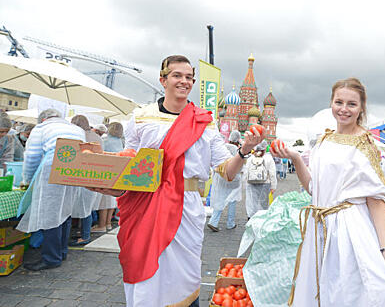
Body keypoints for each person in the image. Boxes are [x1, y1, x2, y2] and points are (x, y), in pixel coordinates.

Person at [87, 55, 263, 306]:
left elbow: (227, 171)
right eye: (177, 75)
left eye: (189, 77)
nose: (184, 81)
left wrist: (244, 150)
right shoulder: (141, 117)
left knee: (184, 274)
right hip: (144, 205)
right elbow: (128, 166)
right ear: (163, 79)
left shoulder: (204, 121)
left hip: (186, 209)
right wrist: (110, 187)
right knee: (143, 268)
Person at [273, 77, 385, 306]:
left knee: (349, 292)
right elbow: (314, 189)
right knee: (320, 291)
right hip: (320, 228)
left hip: (350, 231)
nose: (344, 109)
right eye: (339, 102)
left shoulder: (364, 145)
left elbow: (376, 202)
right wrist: (296, 158)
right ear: (331, 103)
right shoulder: (324, 140)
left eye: (351, 104)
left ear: (361, 108)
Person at [17, 109, 86, 270]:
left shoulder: (41, 128)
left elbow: (32, 156)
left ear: (42, 119)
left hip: (52, 169)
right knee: (65, 212)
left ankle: (51, 258)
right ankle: (61, 252)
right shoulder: (76, 129)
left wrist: (26, 180)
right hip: (75, 171)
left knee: (50, 213)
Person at [69, 115, 102, 245]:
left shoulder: (79, 135)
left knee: (84, 207)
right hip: (94, 175)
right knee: (87, 207)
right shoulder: (97, 137)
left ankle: (85, 236)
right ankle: (83, 233)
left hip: (82, 174)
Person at [207, 130, 243, 231]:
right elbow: (239, 165)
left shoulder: (223, 146)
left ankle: (213, 221)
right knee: (232, 199)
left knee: (220, 198)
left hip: (220, 176)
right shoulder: (237, 150)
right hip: (232, 177)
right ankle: (230, 223)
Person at [245, 140, 277, 218]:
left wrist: (246, 182)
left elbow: (246, 171)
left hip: (251, 183)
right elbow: (272, 173)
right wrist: (273, 186)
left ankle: (251, 217)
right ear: (265, 148)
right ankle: (261, 218)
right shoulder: (269, 158)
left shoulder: (251, 158)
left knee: (252, 202)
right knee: (263, 202)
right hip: (265, 183)